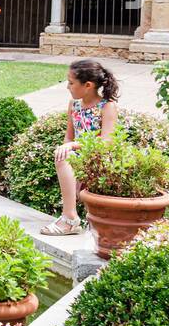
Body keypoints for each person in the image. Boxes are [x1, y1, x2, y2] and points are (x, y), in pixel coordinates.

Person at [40, 59, 120, 236]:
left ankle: (70, 219)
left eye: (71, 83)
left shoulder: (107, 106)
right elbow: (69, 136)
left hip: (98, 157)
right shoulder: (74, 105)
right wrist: (66, 146)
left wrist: (73, 145)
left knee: (65, 158)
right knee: (62, 157)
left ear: (88, 85)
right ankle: (69, 216)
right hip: (77, 156)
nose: (67, 87)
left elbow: (107, 142)